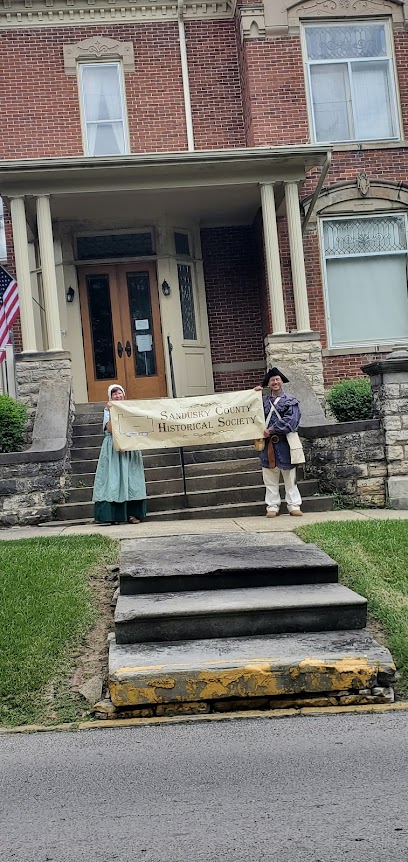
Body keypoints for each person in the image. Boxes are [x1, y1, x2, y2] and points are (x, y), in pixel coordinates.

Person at [92, 384, 147, 525]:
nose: (117, 396)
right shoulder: (107, 410)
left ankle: (132, 514)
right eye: (114, 394)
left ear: (124, 394)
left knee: (131, 481)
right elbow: (109, 429)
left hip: (129, 448)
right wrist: (111, 411)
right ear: (110, 397)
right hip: (114, 449)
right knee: (114, 480)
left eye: (119, 393)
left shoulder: (130, 409)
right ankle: (114, 515)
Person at [255, 367, 303, 518]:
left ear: (281, 382)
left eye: (277, 379)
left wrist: (273, 429)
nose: (275, 382)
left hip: (285, 444)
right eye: (272, 380)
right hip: (267, 446)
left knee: (290, 477)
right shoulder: (262, 401)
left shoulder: (291, 401)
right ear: (268, 384)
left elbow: (292, 421)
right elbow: (250, 412)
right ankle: (272, 506)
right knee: (269, 478)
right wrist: (253, 394)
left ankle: (294, 505)